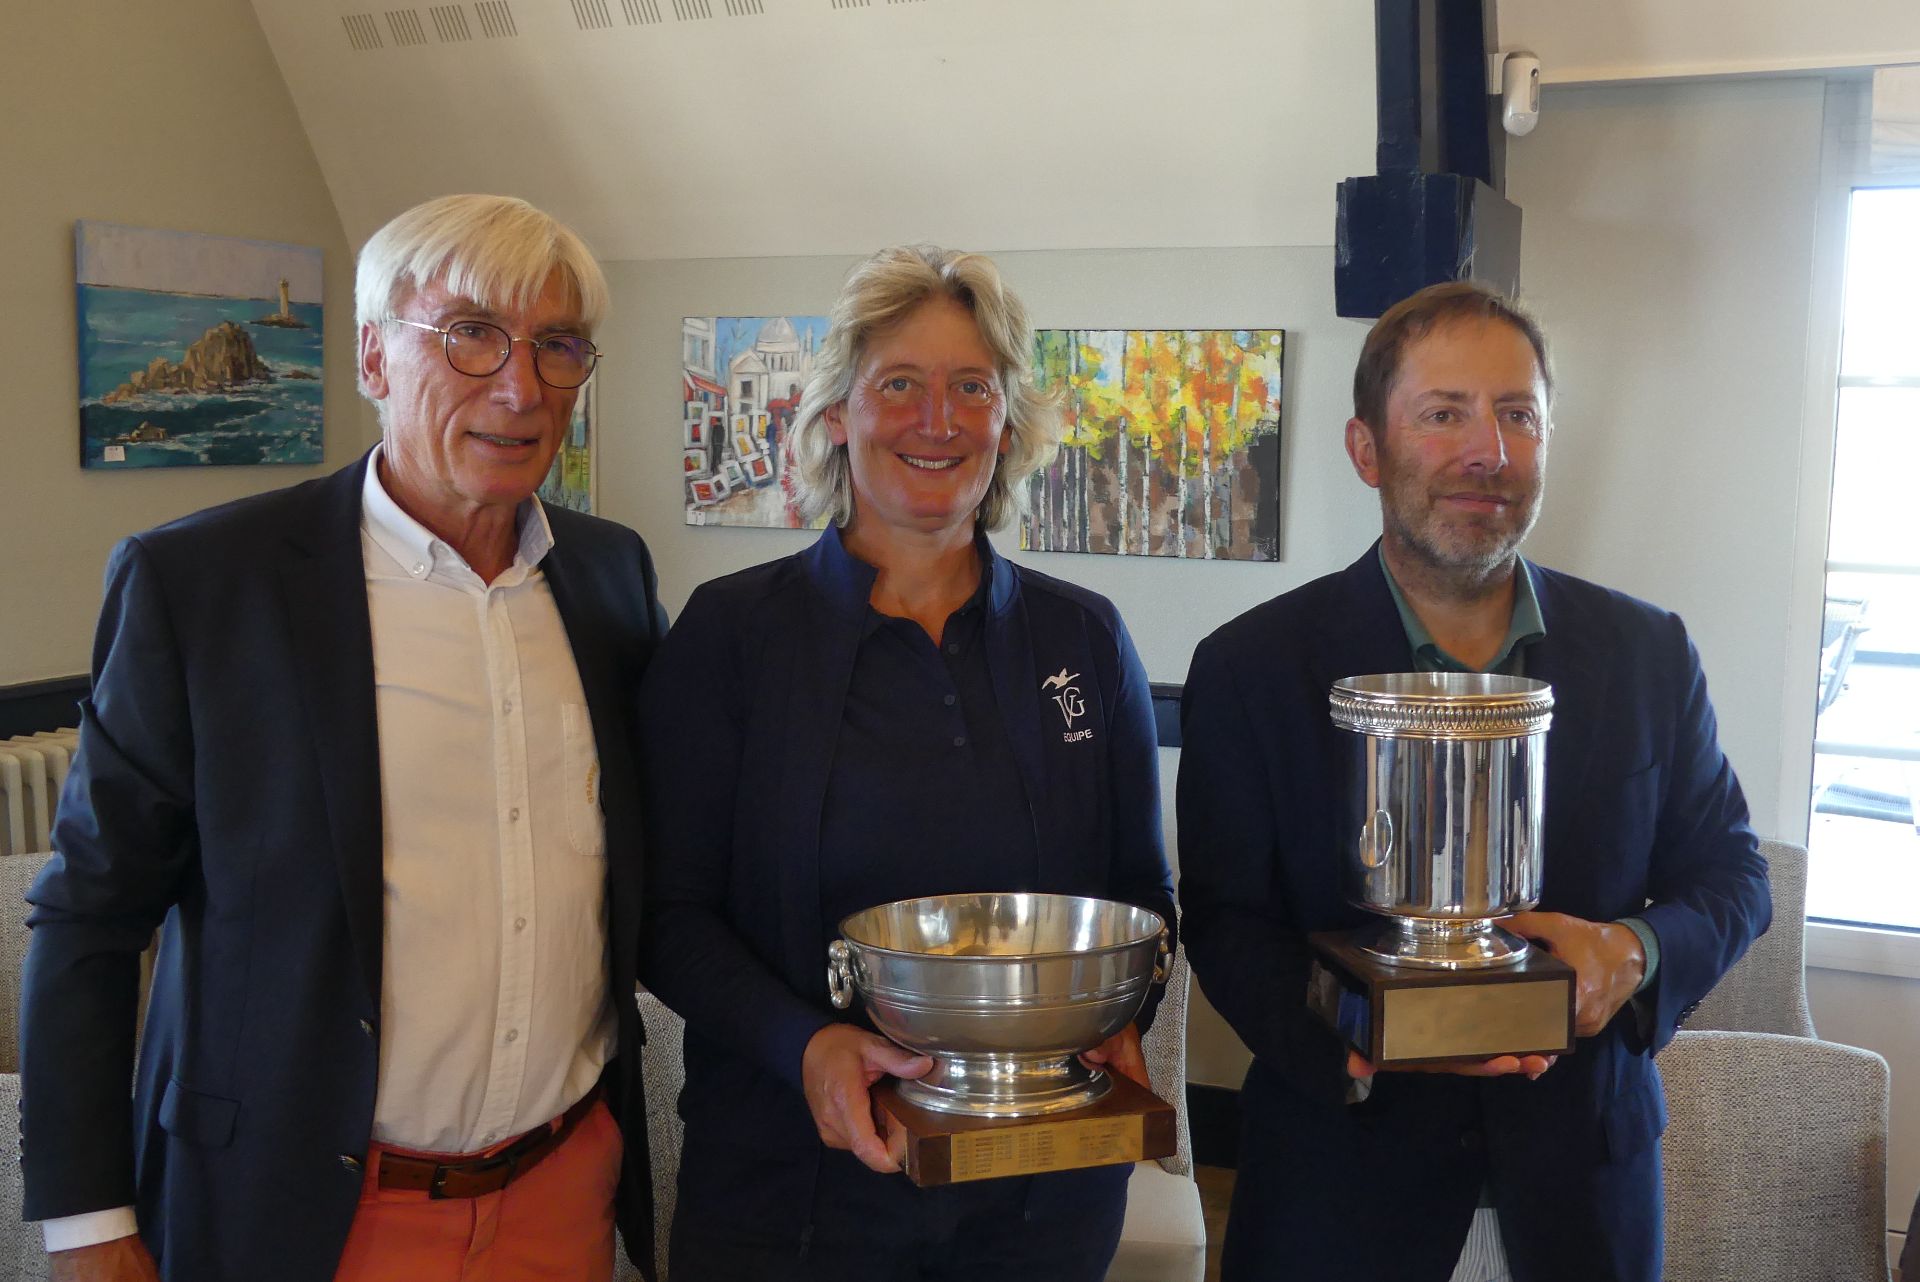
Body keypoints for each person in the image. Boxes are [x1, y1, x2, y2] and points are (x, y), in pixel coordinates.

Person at [21, 194, 665, 1282]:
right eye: (470, 335)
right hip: (303, 1212)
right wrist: (89, 1222)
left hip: (560, 1193)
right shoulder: (204, 586)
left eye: (556, 345)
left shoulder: (609, 577)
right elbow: (90, 910)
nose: (520, 387)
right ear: (373, 356)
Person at [1177, 281, 1771, 1282]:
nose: (1487, 451)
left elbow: (1734, 877)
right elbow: (1226, 919)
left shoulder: (1648, 652)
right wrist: (1355, 1037)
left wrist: (1633, 954)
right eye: (1443, 413)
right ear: (1367, 448)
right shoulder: (1252, 666)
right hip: (1339, 1195)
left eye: (1517, 415)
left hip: (1582, 1202)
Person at [638, 244, 1175, 1281]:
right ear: (838, 412)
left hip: (1041, 1199)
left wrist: (1125, 1016)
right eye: (898, 385)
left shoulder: (1085, 639)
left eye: (972, 387)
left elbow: (1140, 893)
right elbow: (668, 916)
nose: (938, 420)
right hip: (792, 1194)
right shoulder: (733, 636)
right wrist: (803, 1044)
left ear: (1007, 422)